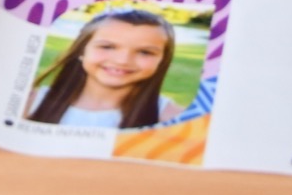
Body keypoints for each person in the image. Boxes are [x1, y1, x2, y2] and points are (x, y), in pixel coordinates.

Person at [26, 9, 181, 129]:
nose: (122, 61)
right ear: (81, 50)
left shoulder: (173, 117)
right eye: (107, 47)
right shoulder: (30, 102)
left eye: (145, 52)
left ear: (162, 60)